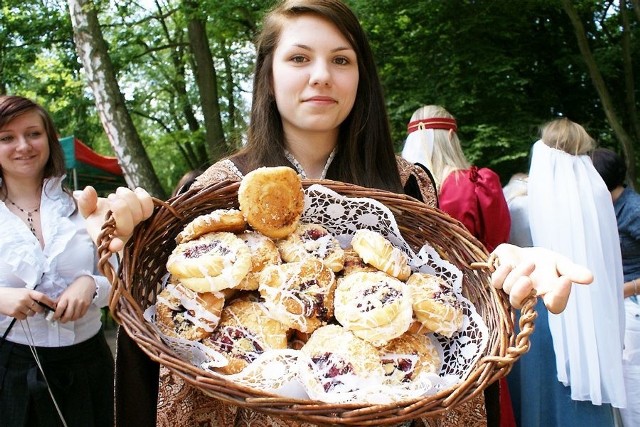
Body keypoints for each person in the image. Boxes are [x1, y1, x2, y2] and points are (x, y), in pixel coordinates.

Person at [77, 1, 593, 426]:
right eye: (299, 58)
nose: (321, 76)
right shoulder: (213, 189)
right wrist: (131, 236)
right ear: (268, 75)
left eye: (341, 60)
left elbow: (444, 295)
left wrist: (503, 269)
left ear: (361, 77)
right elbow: (174, 325)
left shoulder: (406, 184)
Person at [0, 95, 114, 426]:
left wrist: (90, 284)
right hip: (12, 366)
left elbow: (121, 279)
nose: (23, 145)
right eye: (7, 137)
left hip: (89, 362)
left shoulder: (86, 206)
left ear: (49, 139)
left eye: (33, 133)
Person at [507, 118, 626, 427]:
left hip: (540, 309)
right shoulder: (596, 193)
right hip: (591, 305)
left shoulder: (523, 203)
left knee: (543, 394)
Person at [402, 105, 513, 426]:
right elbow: (495, 243)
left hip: (415, 310)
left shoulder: (398, 187)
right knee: (480, 389)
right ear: (451, 135)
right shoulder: (476, 182)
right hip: (477, 304)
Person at [592, 147, 640, 427]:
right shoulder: (606, 208)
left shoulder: (634, 209)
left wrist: (626, 289)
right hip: (617, 304)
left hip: (633, 307)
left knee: (632, 380)